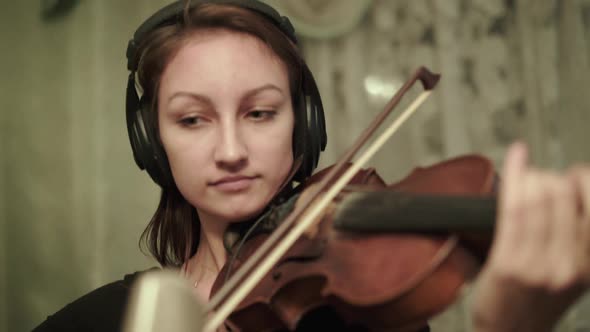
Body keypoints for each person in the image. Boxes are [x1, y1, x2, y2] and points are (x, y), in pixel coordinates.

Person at [34, 0, 590, 331]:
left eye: (259, 112)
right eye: (193, 119)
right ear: (151, 143)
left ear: (303, 124)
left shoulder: (358, 317)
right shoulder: (101, 321)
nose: (231, 149)